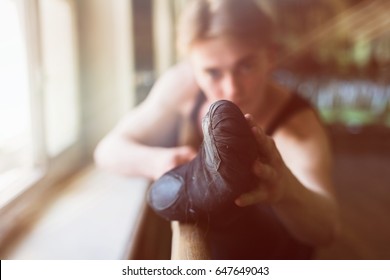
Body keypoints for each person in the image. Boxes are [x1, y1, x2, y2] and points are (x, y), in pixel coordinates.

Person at [94, 0, 340, 259]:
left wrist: (286, 190)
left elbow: (328, 229)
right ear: (191, 65)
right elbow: (107, 151)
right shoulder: (183, 85)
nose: (232, 88)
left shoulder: (296, 125)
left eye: (246, 66)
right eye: (212, 72)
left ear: (271, 56)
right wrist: (160, 161)